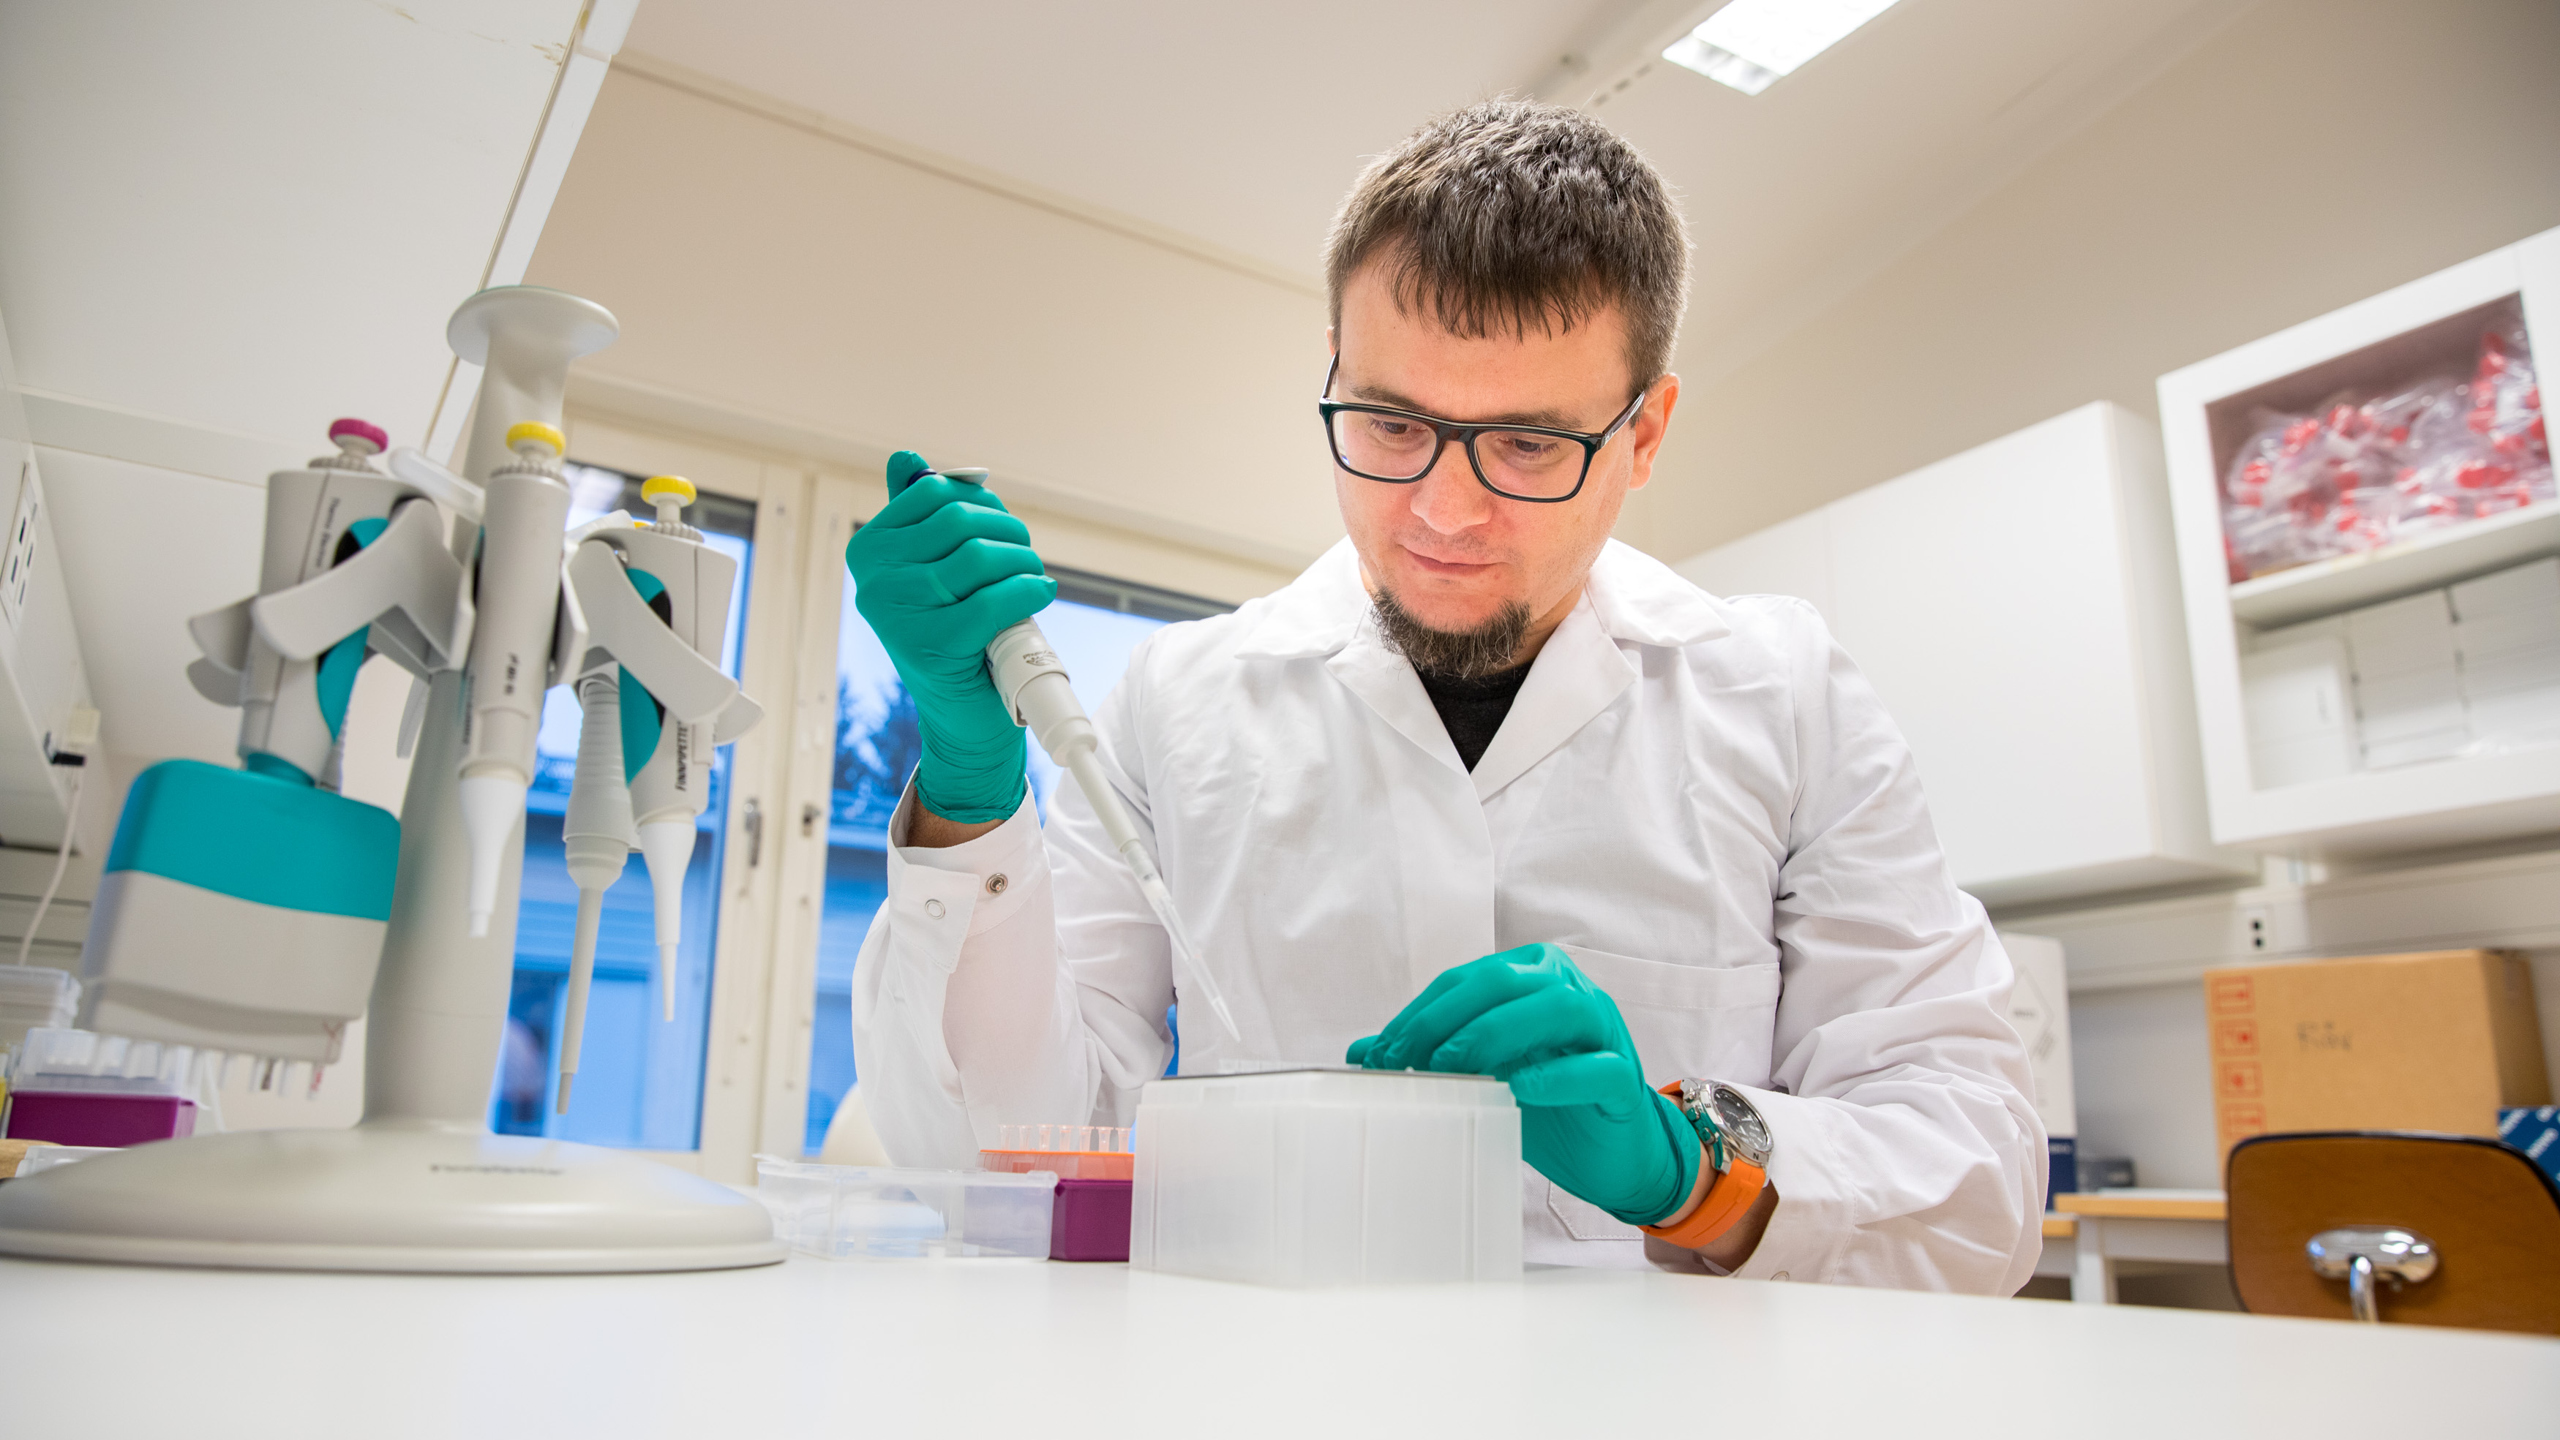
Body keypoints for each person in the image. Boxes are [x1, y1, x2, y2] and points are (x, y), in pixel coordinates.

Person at [844, 99, 2043, 1291]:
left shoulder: (1783, 696)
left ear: (1644, 434)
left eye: (1528, 444)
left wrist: (1692, 1167)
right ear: (1334, 374)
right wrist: (968, 800)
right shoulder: (1177, 700)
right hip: (1258, 1372)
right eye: (1389, 422)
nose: (1442, 511)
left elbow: (1978, 1187)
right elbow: (1007, 1162)